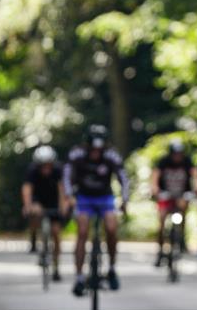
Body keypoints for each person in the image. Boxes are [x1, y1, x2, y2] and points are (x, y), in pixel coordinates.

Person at [63, 124, 130, 297]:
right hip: (84, 198)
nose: (95, 153)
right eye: (93, 149)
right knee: (83, 231)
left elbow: (123, 176)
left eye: (98, 150)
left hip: (105, 198)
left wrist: (124, 199)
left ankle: (112, 269)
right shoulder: (77, 154)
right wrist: (69, 196)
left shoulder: (111, 155)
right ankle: (79, 276)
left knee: (111, 228)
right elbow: (67, 175)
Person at [21, 145, 68, 282]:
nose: (46, 168)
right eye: (43, 165)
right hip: (38, 200)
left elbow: (62, 190)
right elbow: (27, 189)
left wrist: (63, 207)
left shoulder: (59, 170)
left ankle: (56, 267)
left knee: (56, 233)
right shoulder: (32, 171)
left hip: (53, 201)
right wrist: (27, 205)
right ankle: (34, 239)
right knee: (35, 212)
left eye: (48, 165)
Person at [149, 140, 197, 265]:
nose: (178, 157)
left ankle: (180, 239)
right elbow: (155, 178)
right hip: (166, 195)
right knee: (161, 219)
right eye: (175, 154)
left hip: (182, 195)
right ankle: (161, 250)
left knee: (182, 212)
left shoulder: (187, 161)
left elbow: (196, 176)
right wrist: (155, 191)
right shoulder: (163, 162)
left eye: (180, 154)